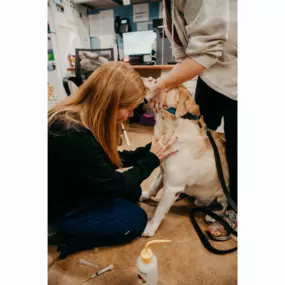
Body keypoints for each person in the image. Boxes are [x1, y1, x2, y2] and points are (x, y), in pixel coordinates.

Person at [48, 62, 177, 258]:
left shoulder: (81, 118)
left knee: (133, 192)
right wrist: (151, 160)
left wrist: (146, 151)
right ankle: (61, 233)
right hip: (58, 208)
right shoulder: (73, 135)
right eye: (129, 109)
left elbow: (102, 160)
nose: (131, 115)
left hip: (72, 186)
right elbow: (115, 185)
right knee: (134, 220)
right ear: (110, 103)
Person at [148, 0, 237, 238]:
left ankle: (235, 207)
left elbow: (208, 46)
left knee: (238, 147)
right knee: (199, 135)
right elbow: (185, 50)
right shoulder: (166, 4)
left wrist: (164, 83)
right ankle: (194, 181)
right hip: (207, 74)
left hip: (237, 73)